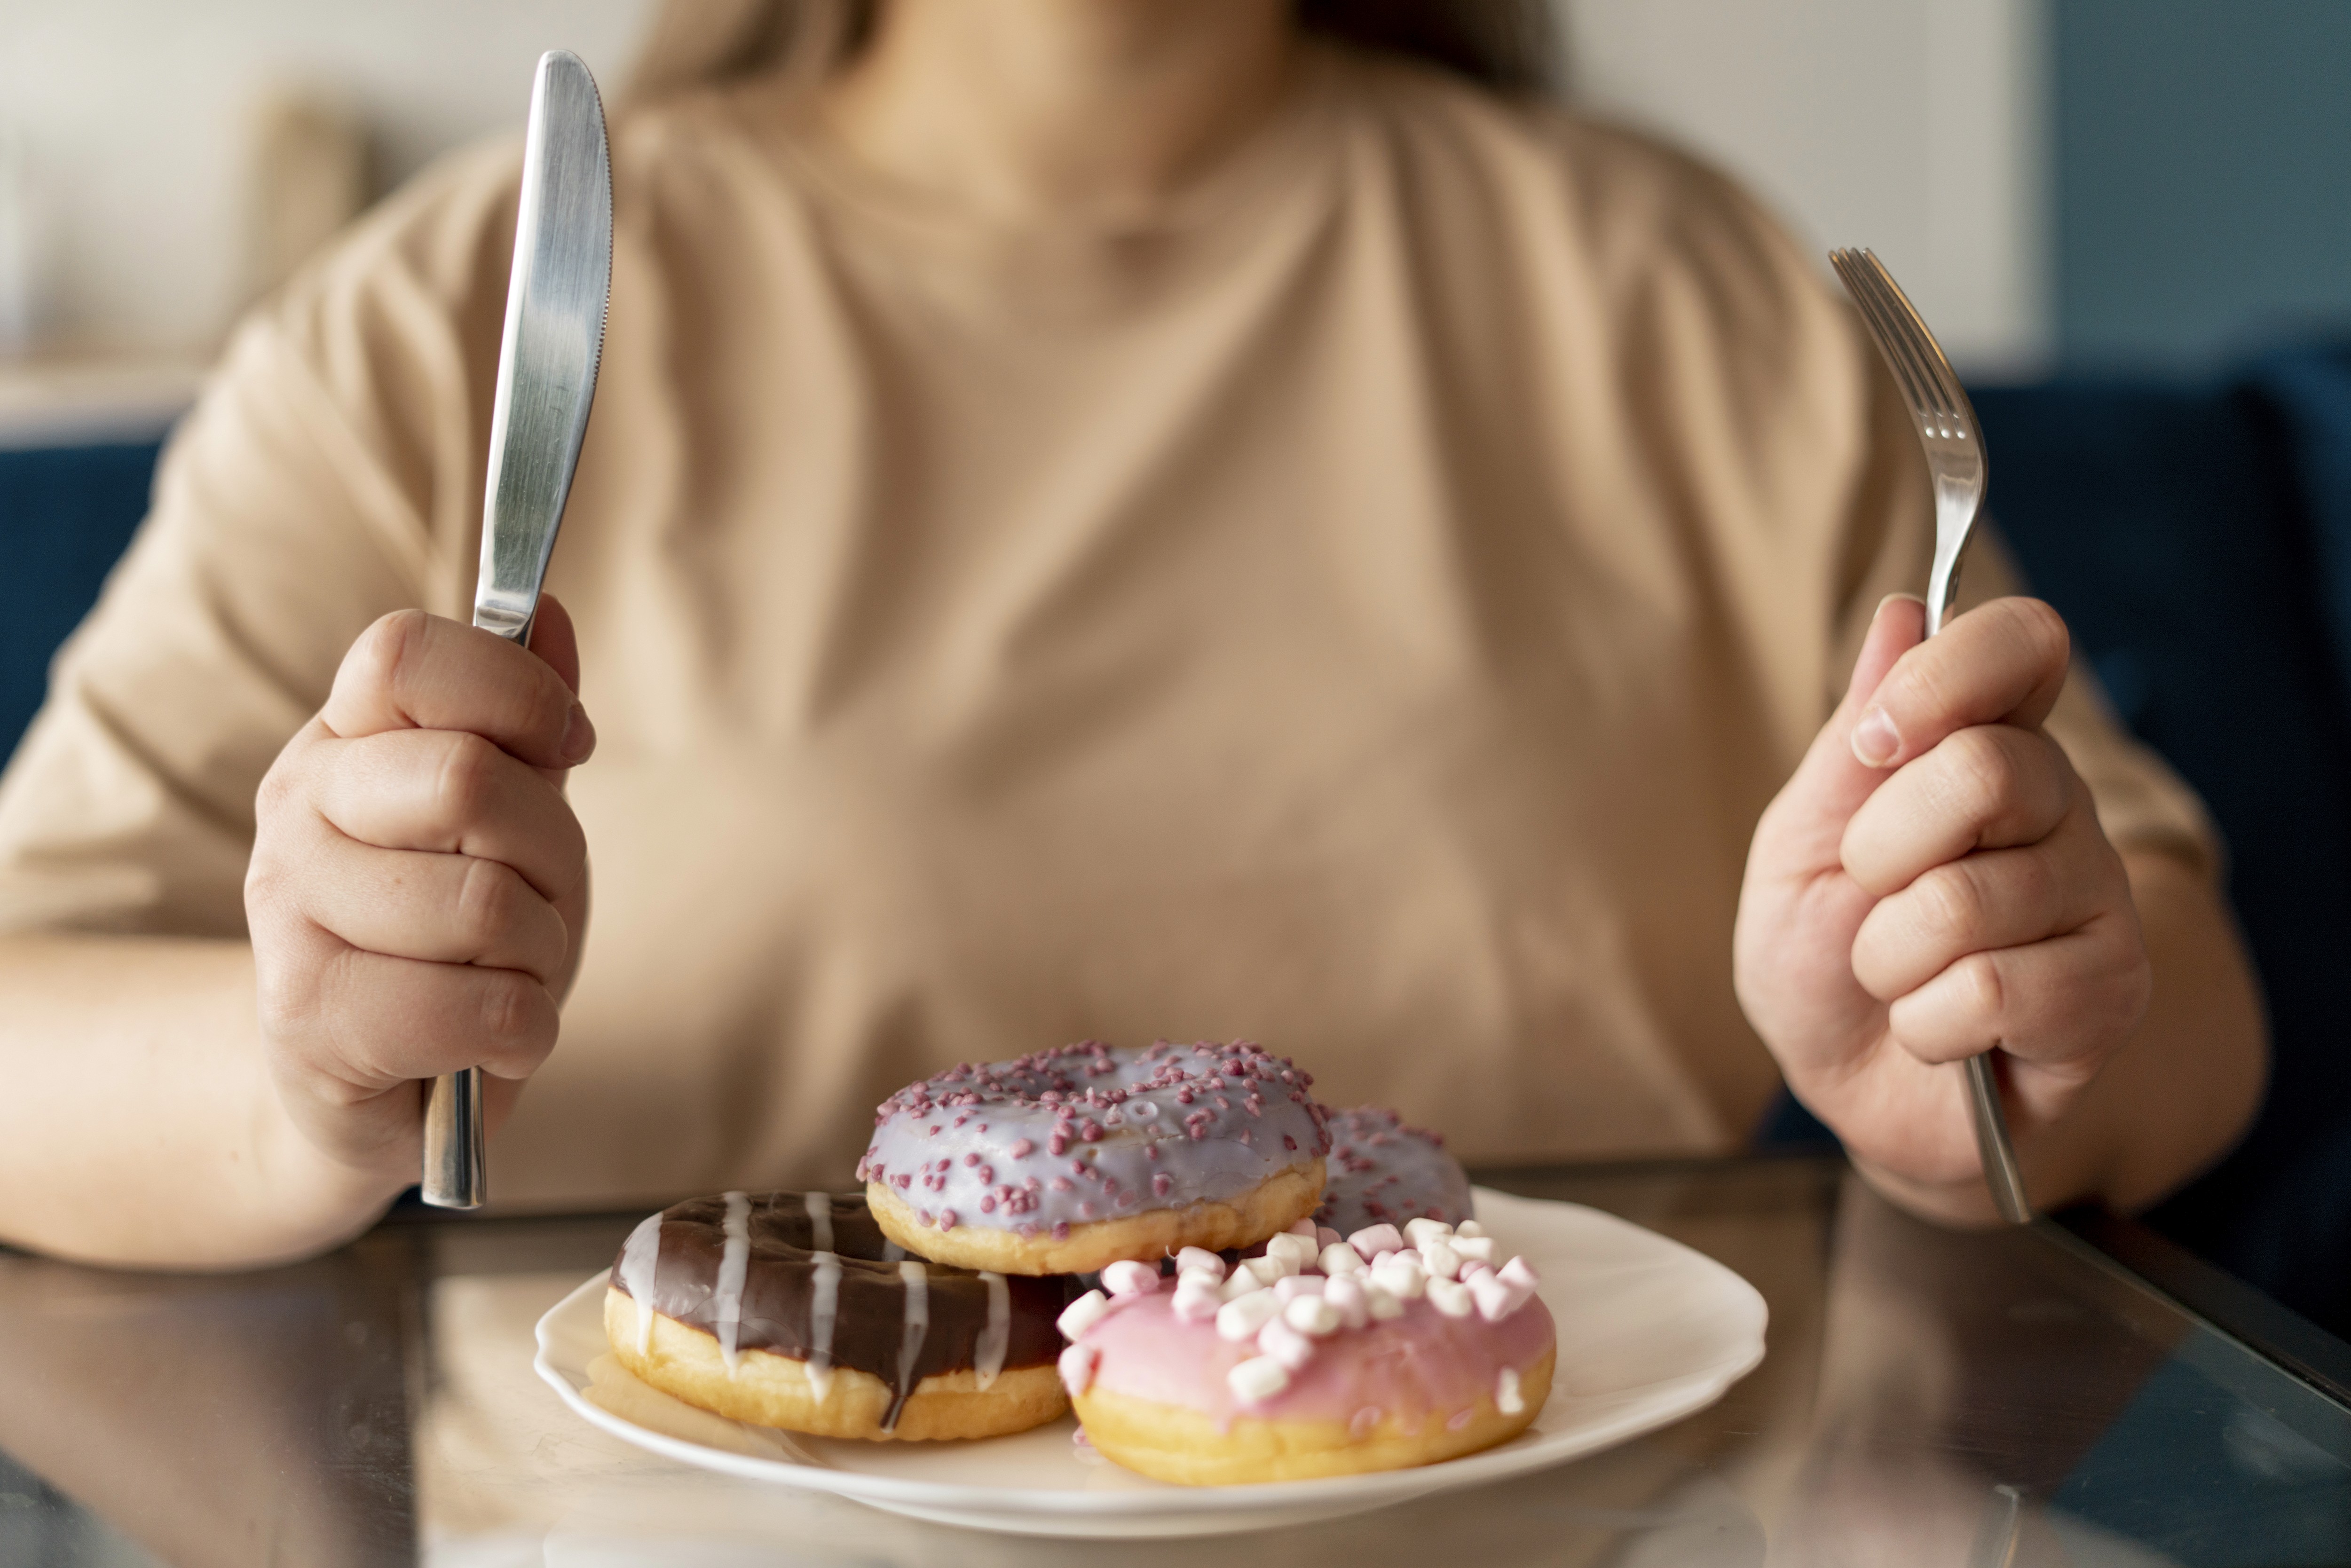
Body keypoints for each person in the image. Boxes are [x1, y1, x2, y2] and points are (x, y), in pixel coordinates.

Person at [0, 0, 2264, 1268]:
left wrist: (1984, 1063)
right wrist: (305, 1080)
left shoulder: (1683, 300)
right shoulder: (467, 316)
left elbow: (2168, 972)